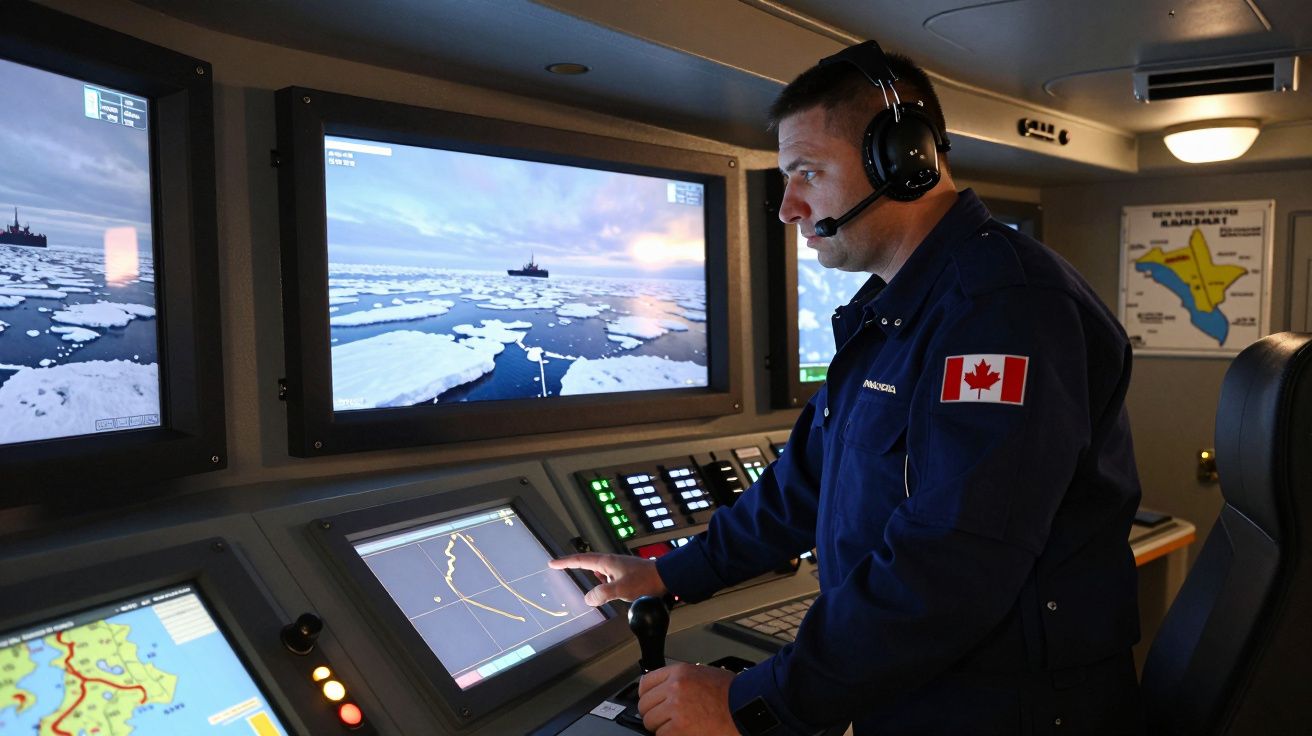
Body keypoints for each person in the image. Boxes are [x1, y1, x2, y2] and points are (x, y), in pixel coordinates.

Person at [551, 40, 1144, 736]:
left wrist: (755, 702)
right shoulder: (892, 314)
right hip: (922, 689)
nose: (788, 206)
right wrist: (669, 574)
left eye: (807, 172)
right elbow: (806, 484)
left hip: (1009, 709)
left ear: (904, 160)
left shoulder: (1005, 310)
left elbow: (953, 564)